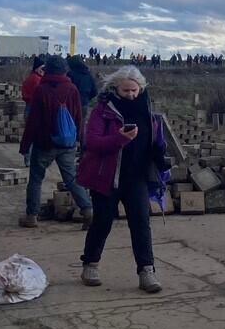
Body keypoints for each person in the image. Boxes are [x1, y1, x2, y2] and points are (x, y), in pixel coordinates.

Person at [77, 66, 169, 293]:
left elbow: (154, 140)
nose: (131, 95)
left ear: (141, 89)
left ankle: (147, 271)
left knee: (141, 223)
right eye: (126, 90)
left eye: (134, 90)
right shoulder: (102, 110)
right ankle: (90, 264)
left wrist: (159, 155)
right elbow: (93, 142)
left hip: (136, 177)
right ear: (115, 88)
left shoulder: (147, 110)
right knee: (103, 221)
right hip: (106, 177)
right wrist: (119, 139)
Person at [19, 55, 92, 227]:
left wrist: (25, 145)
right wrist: (81, 141)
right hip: (67, 143)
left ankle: (32, 216)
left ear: (47, 70)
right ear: (65, 70)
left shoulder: (41, 90)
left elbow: (33, 121)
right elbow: (78, 118)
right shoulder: (72, 89)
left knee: (36, 179)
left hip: (44, 143)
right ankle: (88, 210)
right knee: (72, 178)